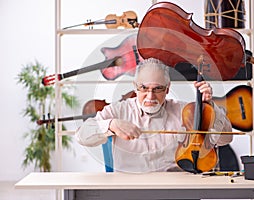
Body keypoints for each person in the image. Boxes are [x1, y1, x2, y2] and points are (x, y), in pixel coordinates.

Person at [75, 57, 232, 173]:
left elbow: (225, 138)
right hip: (130, 190)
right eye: (144, 88)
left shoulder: (186, 111)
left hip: (174, 190)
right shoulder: (118, 110)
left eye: (158, 89)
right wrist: (110, 125)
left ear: (168, 89)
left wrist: (210, 106)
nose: (150, 97)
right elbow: (81, 136)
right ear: (135, 87)